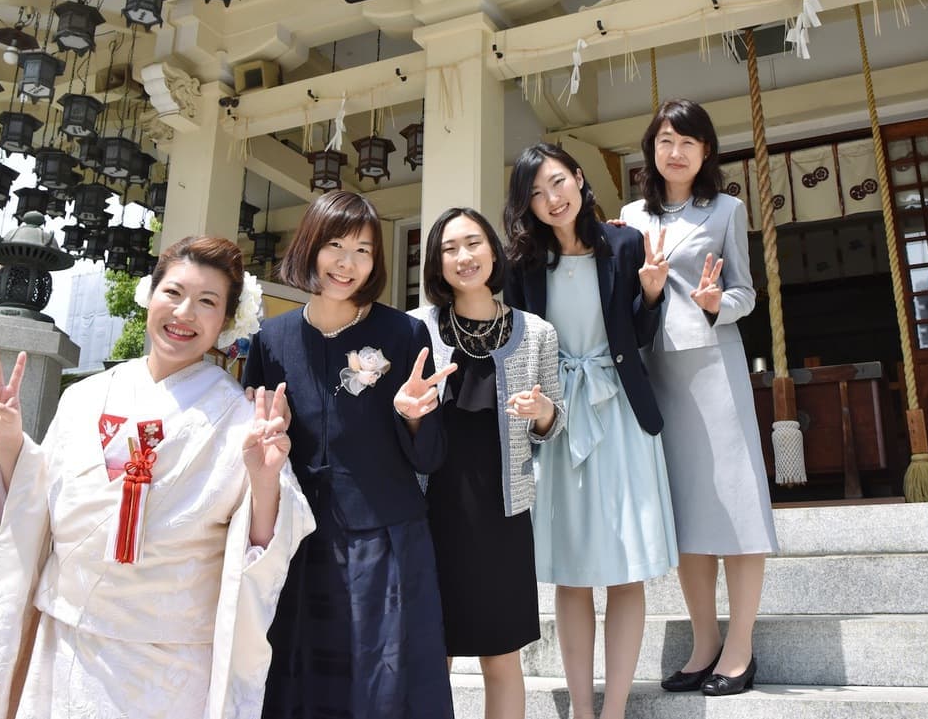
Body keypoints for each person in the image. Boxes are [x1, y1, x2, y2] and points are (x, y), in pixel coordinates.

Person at [0, 235, 314, 719]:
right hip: (66, 641)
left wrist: (265, 480)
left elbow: (263, 545)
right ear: (150, 295)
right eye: (174, 293)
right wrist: (11, 443)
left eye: (207, 302)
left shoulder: (240, 418)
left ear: (226, 322)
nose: (185, 313)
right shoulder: (84, 397)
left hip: (170, 661)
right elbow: (36, 505)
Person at [244, 190, 457, 719]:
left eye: (363, 250)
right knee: (295, 681)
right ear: (310, 246)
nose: (347, 262)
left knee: (386, 685)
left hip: (385, 535)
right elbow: (254, 442)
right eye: (335, 245)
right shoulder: (271, 339)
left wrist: (414, 415)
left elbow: (429, 459)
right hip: (298, 539)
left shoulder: (404, 332)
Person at [501, 143, 679, 719]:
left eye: (557, 182)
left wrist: (651, 294)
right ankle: (582, 709)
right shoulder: (523, 265)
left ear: (579, 179)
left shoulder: (625, 243)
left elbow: (642, 337)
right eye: (535, 192)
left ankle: (615, 708)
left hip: (622, 414)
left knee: (627, 567)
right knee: (573, 572)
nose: (551, 199)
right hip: (558, 423)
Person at [620, 99, 779, 696]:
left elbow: (746, 292)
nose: (676, 151)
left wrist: (718, 305)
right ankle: (704, 642)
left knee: (733, 504)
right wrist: (651, 294)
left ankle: (739, 649)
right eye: (665, 140)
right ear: (651, 151)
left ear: (706, 150)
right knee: (686, 512)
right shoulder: (630, 217)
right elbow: (627, 304)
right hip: (655, 370)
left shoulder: (727, 209)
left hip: (714, 365)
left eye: (687, 141)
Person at [409, 207, 565, 719]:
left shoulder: (537, 332)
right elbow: (398, 419)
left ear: (493, 252)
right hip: (429, 515)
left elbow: (554, 425)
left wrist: (543, 413)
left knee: (502, 656)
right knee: (434, 655)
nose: (463, 256)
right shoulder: (415, 330)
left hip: (503, 516)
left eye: (473, 243)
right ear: (436, 262)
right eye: (450, 248)